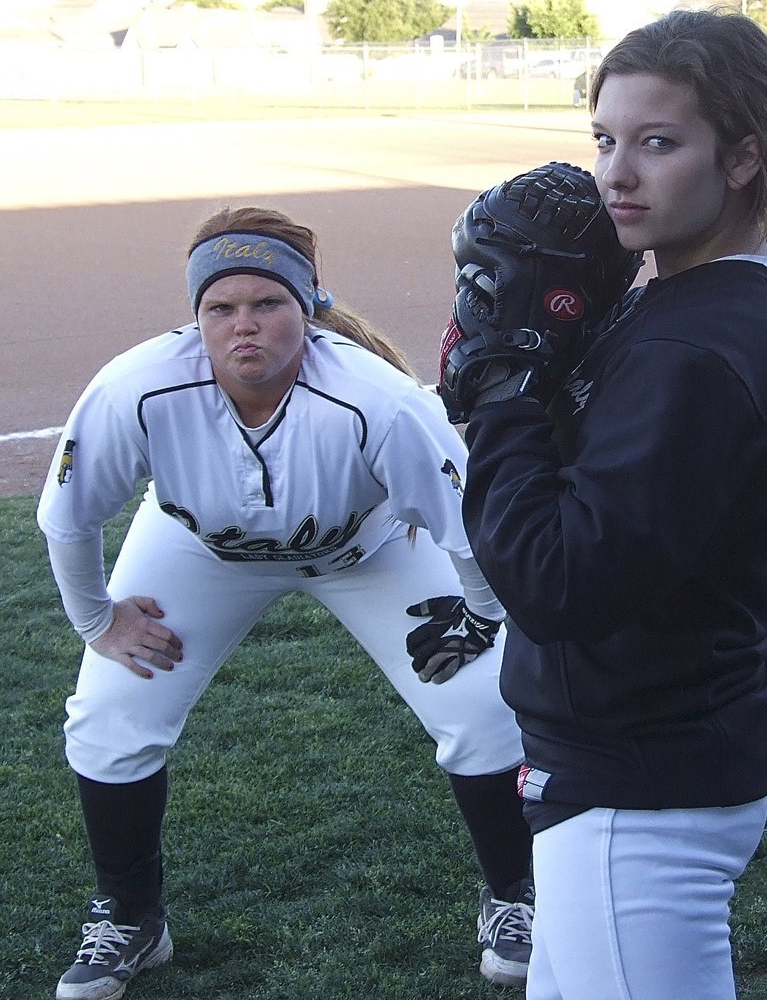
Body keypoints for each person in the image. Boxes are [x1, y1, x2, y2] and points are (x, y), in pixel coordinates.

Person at [453, 7, 767, 1000]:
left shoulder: (698, 343)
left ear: (743, 160)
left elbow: (556, 579)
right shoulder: (698, 304)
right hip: (640, 758)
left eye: (658, 142)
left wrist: (506, 397)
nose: (615, 174)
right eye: (605, 140)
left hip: (642, 786)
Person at [37, 207, 535, 1000]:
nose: (245, 325)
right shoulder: (136, 387)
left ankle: (515, 896)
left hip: (366, 551)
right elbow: (67, 516)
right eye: (220, 308)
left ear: (306, 307)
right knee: (108, 715)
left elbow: (472, 529)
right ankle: (132, 916)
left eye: (267, 304)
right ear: (194, 315)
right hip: (197, 548)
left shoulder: (380, 398)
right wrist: (99, 621)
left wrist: (479, 618)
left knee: (484, 705)